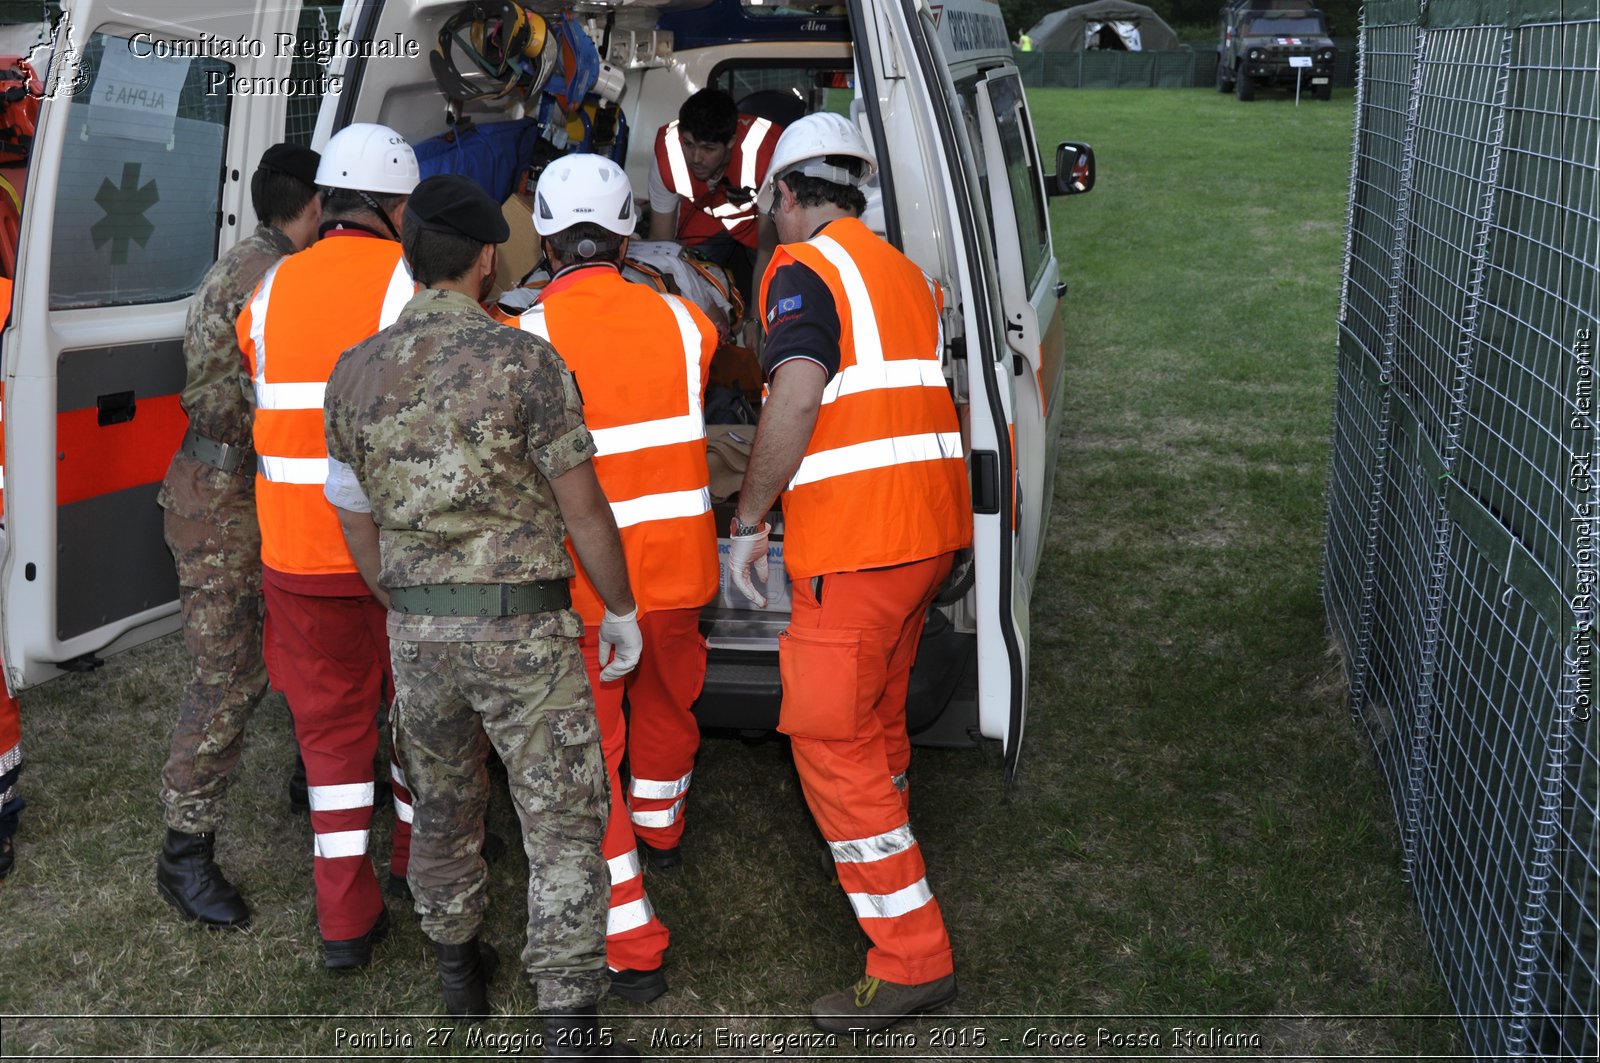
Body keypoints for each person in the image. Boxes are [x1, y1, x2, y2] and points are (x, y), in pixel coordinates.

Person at [322, 172, 643, 1055]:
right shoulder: (523, 360)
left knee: (444, 806)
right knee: (562, 818)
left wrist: (398, 595)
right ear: (488, 259)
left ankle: (460, 972)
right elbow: (583, 510)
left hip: (419, 635)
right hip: (525, 636)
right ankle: (567, 1021)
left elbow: (349, 508)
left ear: (410, 255)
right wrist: (620, 607)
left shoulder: (354, 373)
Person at [724, 112, 973, 1033]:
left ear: (786, 194)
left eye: (770, 207)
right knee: (877, 723)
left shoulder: (802, 268)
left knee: (830, 742)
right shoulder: (901, 271)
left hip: (857, 547)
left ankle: (911, 955)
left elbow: (796, 390)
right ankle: (893, 852)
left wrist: (750, 520)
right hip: (923, 536)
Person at [509, 153, 720, 1002]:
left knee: (594, 756)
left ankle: (631, 934)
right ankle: (664, 829)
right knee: (670, 702)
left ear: (547, 241)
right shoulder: (685, 323)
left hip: (589, 587)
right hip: (682, 570)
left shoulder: (526, 342)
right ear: (630, 233)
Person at [235, 123, 417, 968]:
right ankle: (419, 867)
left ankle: (344, 919)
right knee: (420, 717)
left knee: (331, 738)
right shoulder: (412, 283)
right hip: (395, 552)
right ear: (396, 205)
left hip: (297, 552)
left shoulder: (270, 288)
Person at [154, 142, 322, 928]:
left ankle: (310, 775)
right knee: (228, 676)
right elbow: (236, 397)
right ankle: (183, 854)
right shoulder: (275, 278)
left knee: (295, 639)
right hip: (225, 498)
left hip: (239, 488)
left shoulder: (253, 262)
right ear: (313, 206)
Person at [648, 87, 782, 300]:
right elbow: (660, 243)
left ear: (730, 142)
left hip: (757, 220)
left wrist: (755, 322)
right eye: (689, 145)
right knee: (687, 274)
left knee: (779, 275)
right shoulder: (668, 153)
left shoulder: (766, 152)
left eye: (708, 149)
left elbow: (768, 251)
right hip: (704, 215)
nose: (696, 158)